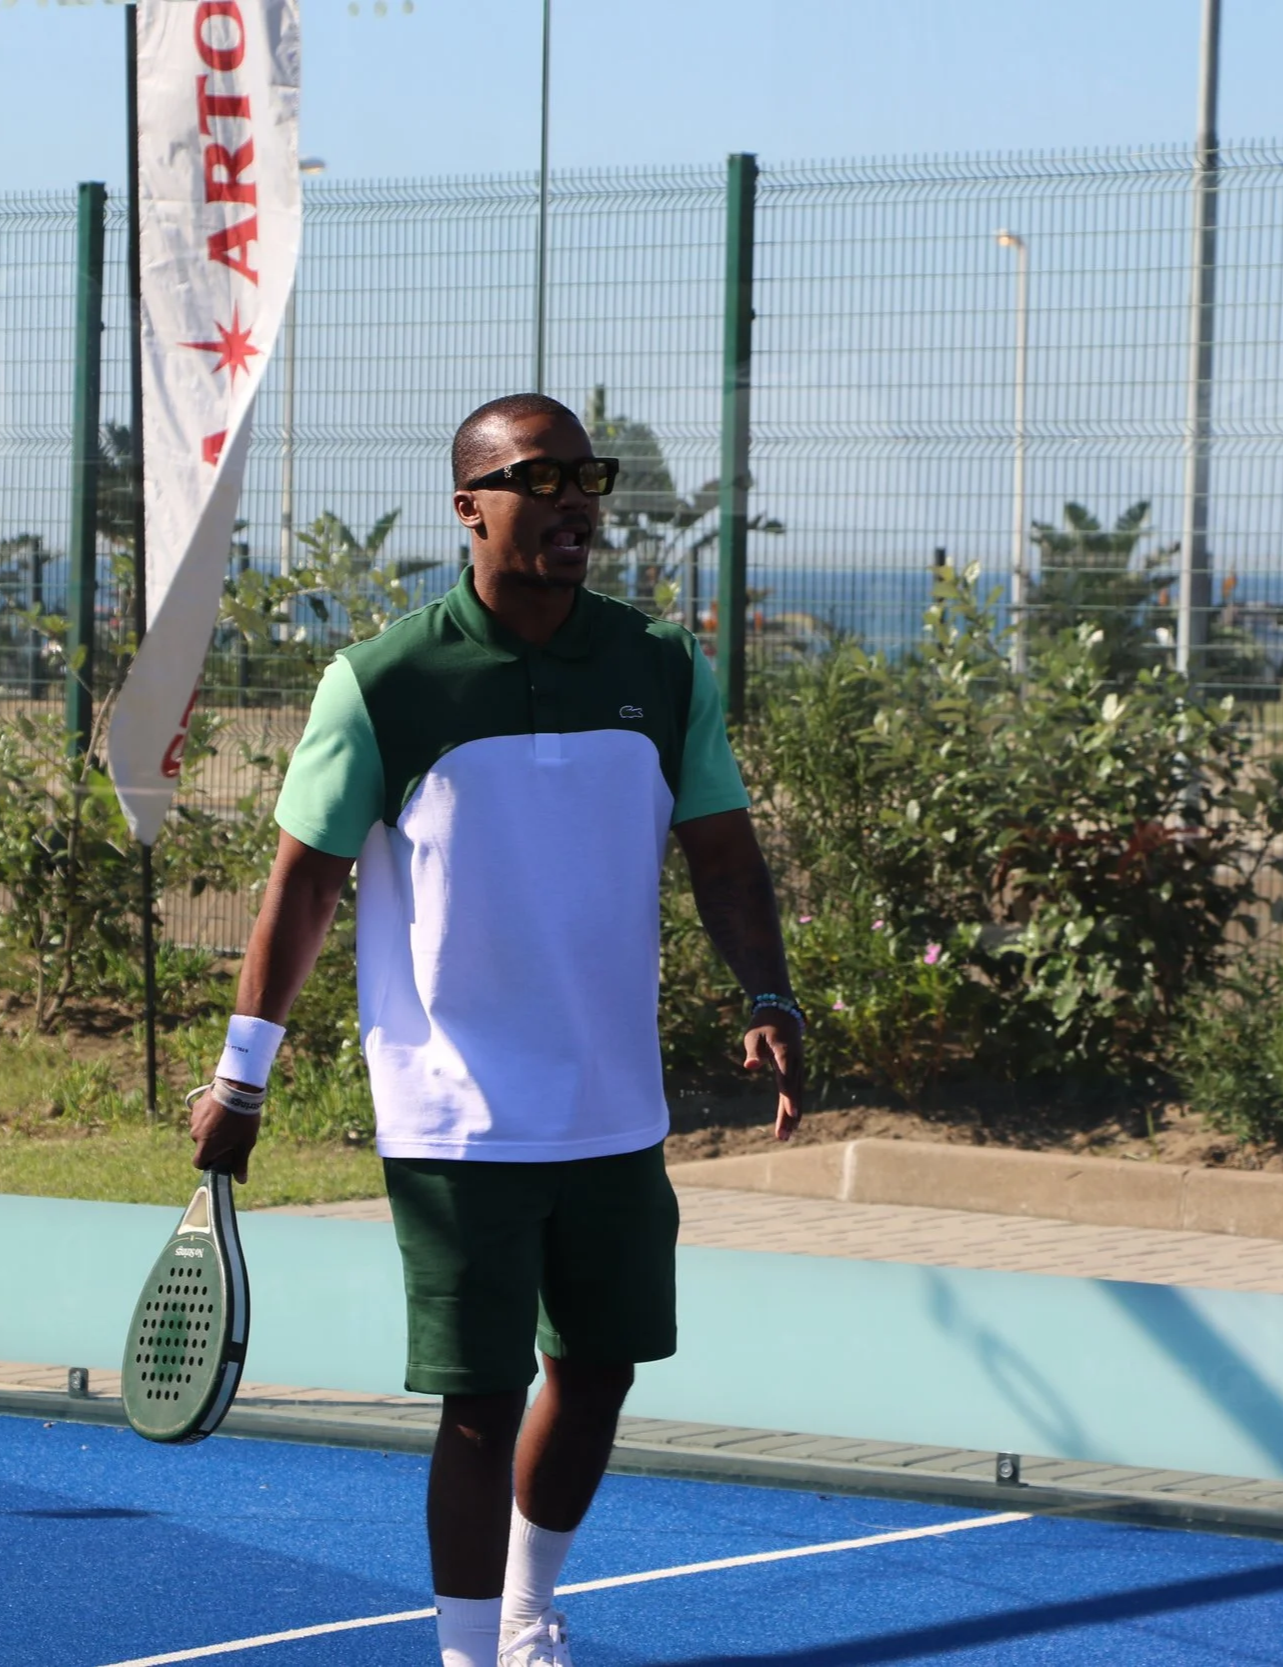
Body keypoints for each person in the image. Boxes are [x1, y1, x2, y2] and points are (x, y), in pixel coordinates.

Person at [188, 392, 805, 1667]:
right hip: (452, 1109)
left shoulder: (659, 669)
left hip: (611, 1106)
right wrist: (240, 1077)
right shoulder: (384, 681)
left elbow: (726, 859)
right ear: (469, 502)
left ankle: (529, 1607)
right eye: (542, 477)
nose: (577, 500)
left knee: (598, 1375)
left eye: (592, 477)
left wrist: (768, 993)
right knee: (479, 1401)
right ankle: (470, 1652)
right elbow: (302, 883)